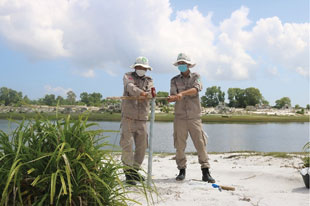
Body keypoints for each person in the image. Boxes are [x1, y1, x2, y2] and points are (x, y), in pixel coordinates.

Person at [168, 53, 215, 183]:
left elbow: (196, 89)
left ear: (188, 65)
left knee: (200, 144)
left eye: (184, 64)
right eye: (180, 64)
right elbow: (173, 95)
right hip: (180, 117)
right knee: (179, 145)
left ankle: (205, 171)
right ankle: (181, 170)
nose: (182, 66)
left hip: (194, 116)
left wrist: (181, 93)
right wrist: (172, 98)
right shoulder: (174, 80)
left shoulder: (196, 77)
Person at [120, 56, 154, 185]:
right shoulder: (128, 76)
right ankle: (128, 172)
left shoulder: (149, 80)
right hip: (128, 117)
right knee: (127, 145)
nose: (141, 69)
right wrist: (142, 94)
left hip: (142, 118)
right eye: (139, 67)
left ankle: (135, 170)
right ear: (135, 67)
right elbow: (130, 87)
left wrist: (147, 94)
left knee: (142, 146)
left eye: (144, 68)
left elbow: (150, 91)